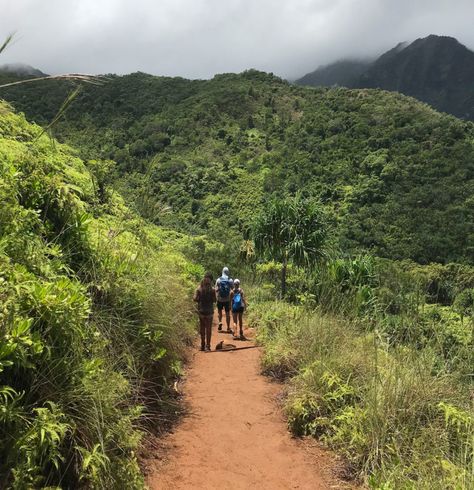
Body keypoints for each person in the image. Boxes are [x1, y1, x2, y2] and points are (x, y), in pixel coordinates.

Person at [193, 271, 216, 351]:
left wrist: (200, 298)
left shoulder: (199, 289)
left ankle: (202, 345)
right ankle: (208, 346)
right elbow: (214, 300)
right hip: (209, 312)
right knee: (208, 329)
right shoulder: (213, 290)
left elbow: (194, 299)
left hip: (201, 312)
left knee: (202, 329)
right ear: (211, 280)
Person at [215, 266, 234, 333]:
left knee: (219, 312)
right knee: (227, 313)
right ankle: (228, 327)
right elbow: (233, 289)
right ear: (227, 272)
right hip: (227, 299)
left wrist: (216, 298)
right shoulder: (230, 280)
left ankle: (220, 322)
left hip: (220, 299)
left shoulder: (218, 280)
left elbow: (216, 290)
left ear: (222, 272)